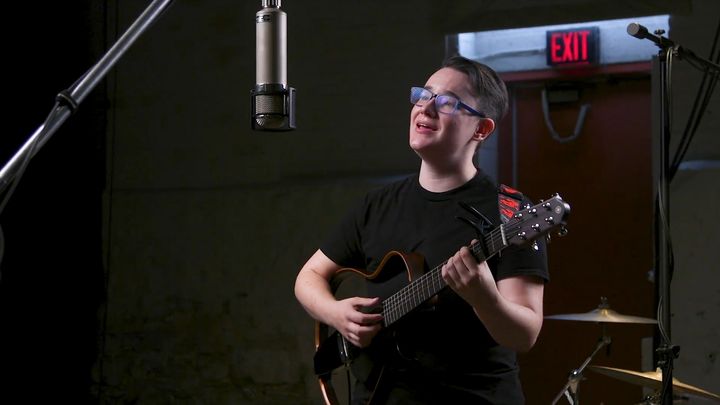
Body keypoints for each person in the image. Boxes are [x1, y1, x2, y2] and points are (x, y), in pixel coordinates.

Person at [294, 55, 548, 404]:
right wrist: (336, 314)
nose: (425, 108)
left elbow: (524, 335)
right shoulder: (377, 205)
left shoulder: (511, 212)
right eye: (423, 95)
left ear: (481, 129)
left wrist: (484, 298)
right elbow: (308, 277)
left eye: (447, 102)